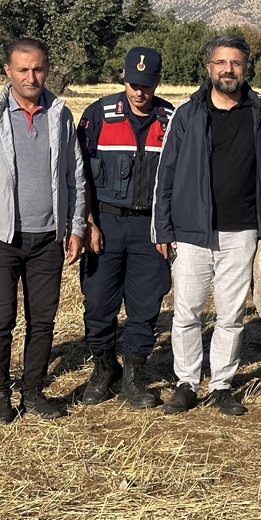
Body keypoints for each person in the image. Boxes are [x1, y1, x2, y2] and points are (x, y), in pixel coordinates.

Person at [152, 34, 261, 416]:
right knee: (187, 313)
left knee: (231, 316)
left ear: (245, 68)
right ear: (209, 68)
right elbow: (165, 173)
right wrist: (163, 229)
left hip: (242, 230)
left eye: (235, 63)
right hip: (191, 231)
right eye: (221, 62)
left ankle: (221, 385)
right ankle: (186, 384)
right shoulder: (187, 114)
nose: (228, 70)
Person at [0, 38, 86, 425]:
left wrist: (76, 226)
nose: (31, 77)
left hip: (48, 237)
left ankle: (33, 391)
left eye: (38, 69)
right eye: (23, 70)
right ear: (7, 71)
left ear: (47, 69)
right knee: (0, 321)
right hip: (1, 238)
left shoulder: (60, 114)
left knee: (43, 322)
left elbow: (75, 176)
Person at [76, 47, 175, 409]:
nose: (139, 92)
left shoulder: (171, 120)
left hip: (150, 228)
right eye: (133, 83)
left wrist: (168, 229)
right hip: (105, 223)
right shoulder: (98, 115)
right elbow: (80, 176)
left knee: (145, 306)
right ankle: (104, 368)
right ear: (124, 78)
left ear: (157, 82)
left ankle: (134, 376)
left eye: (146, 85)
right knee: (98, 303)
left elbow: (179, 180)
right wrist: (88, 223)